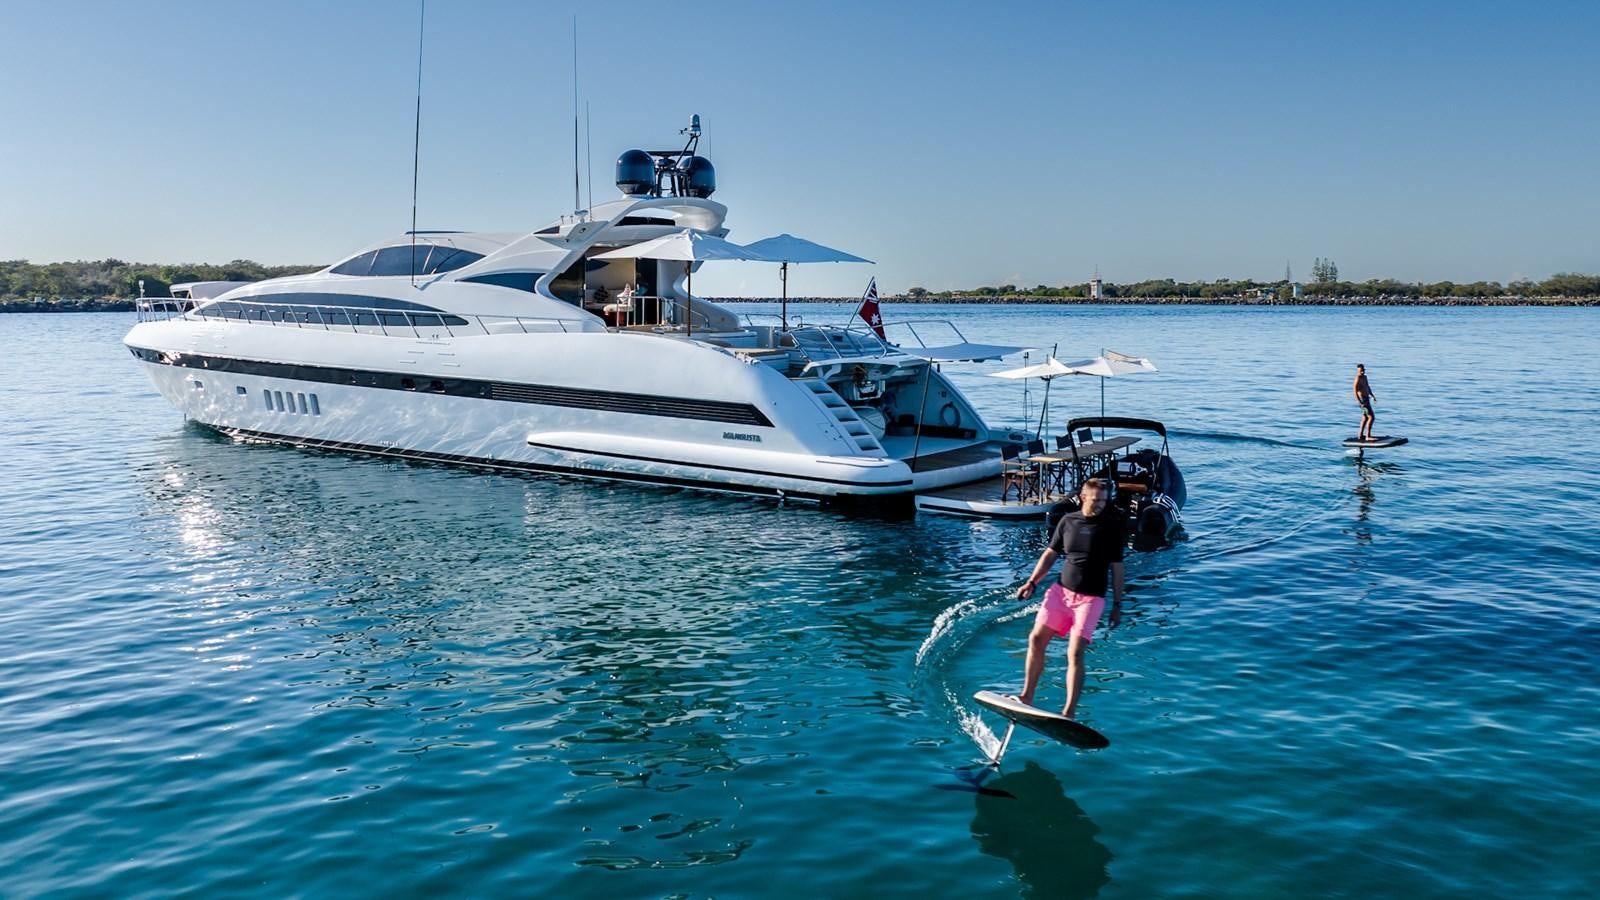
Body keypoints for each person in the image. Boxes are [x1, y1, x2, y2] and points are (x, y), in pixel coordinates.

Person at [1014, 478, 1126, 719]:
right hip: (1060, 593)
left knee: (1074, 652)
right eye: (1095, 500)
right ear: (1083, 497)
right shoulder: (1068, 521)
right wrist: (1032, 582)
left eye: (1104, 501)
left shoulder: (1111, 527)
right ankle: (1026, 696)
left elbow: (1117, 568)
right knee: (1035, 639)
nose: (1099, 505)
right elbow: (1050, 554)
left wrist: (1117, 604)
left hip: (1090, 599)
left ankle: (1068, 712)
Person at [1354, 363, 1376, 441]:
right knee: (1371, 417)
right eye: (1360, 371)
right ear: (1358, 371)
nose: (1362, 372)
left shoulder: (1365, 377)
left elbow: (1367, 387)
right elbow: (1355, 391)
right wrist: (1360, 402)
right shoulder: (1357, 378)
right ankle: (1368, 436)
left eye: (1363, 370)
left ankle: (1360, 435)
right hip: (1362, 400)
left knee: (1365, 417)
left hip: (1367, 399)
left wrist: (1372, 396)